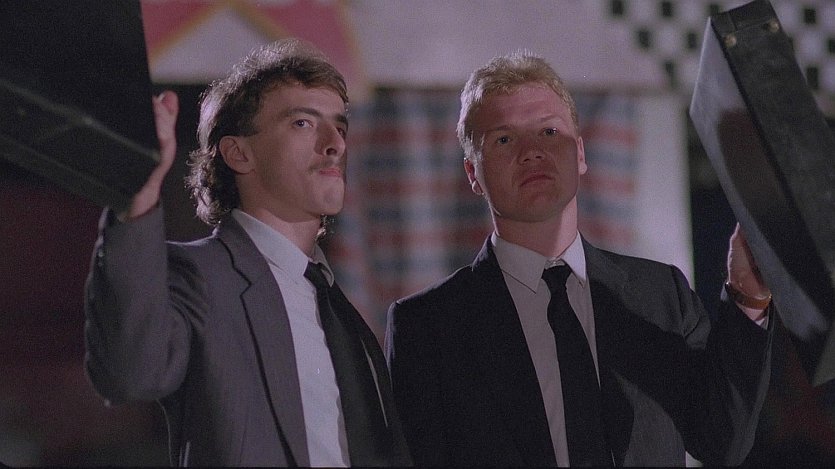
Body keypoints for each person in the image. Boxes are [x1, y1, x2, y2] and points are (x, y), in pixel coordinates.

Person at [385, 51, 774, 467]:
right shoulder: (427, 326)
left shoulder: (661, 296)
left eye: (549, 131)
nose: (532, 151)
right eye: (504, 139)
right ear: (472, 174)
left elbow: (723, 443)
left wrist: (748, 297)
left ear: (582, 153)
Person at [84, 39, 411, 467]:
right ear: (239, 154)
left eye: (341, 128)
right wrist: (138, 192)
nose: (335, 144)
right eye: (303, 123)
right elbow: (130, 374)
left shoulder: (342, 313)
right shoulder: (199, 275)